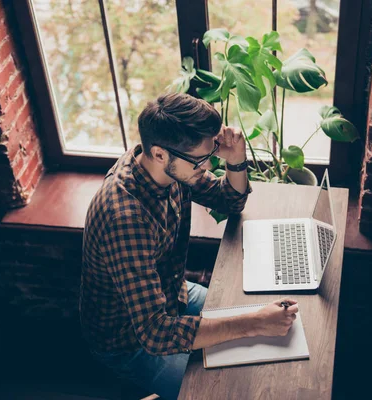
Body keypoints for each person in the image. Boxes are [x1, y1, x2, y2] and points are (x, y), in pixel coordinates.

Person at [80, 93, 299, 399]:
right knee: (224, 390)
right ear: (159, 154)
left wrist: (235, 159)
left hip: (174, 292)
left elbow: (229, 201)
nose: (208, 165)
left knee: (250, 318)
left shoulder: (168, 166)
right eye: (200, 160)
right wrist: (253, 324)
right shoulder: (124, 216)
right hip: (130, 341)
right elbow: (156, 333)